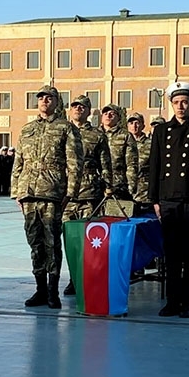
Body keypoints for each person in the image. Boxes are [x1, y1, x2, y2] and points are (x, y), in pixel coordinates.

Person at [11, 85, 83, 309]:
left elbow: (75, 163)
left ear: (56, 102)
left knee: (52, 243)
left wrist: (70, 192)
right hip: (28, 193)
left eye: (49, 98)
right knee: (35, 243)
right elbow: (18, 161)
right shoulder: (27, 129)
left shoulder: (66, 128)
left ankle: (53, 292)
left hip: (52, 193)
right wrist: (16, 192)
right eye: (41, 97)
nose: (44, 101)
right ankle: (40, 289)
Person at [148, 81, 189, 318]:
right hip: (167, 198)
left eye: (185, 102)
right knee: (171, 252)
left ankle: (187, 300)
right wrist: (154, 199)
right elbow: (155, 165)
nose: (180, 106)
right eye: (176, 102)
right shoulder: (161, 131)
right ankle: (172, 300)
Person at [62, 94, 111, 295]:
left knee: (89, 240)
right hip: (66, 196)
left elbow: (105, 165)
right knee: (69, 240)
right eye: (75, 106)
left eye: (82, 106)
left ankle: (87, 277)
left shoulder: (97, 135)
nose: (78, 109)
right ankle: (74, 278)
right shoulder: (62, 131)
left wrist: (108, 187)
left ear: (89, 111)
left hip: (90, 194)